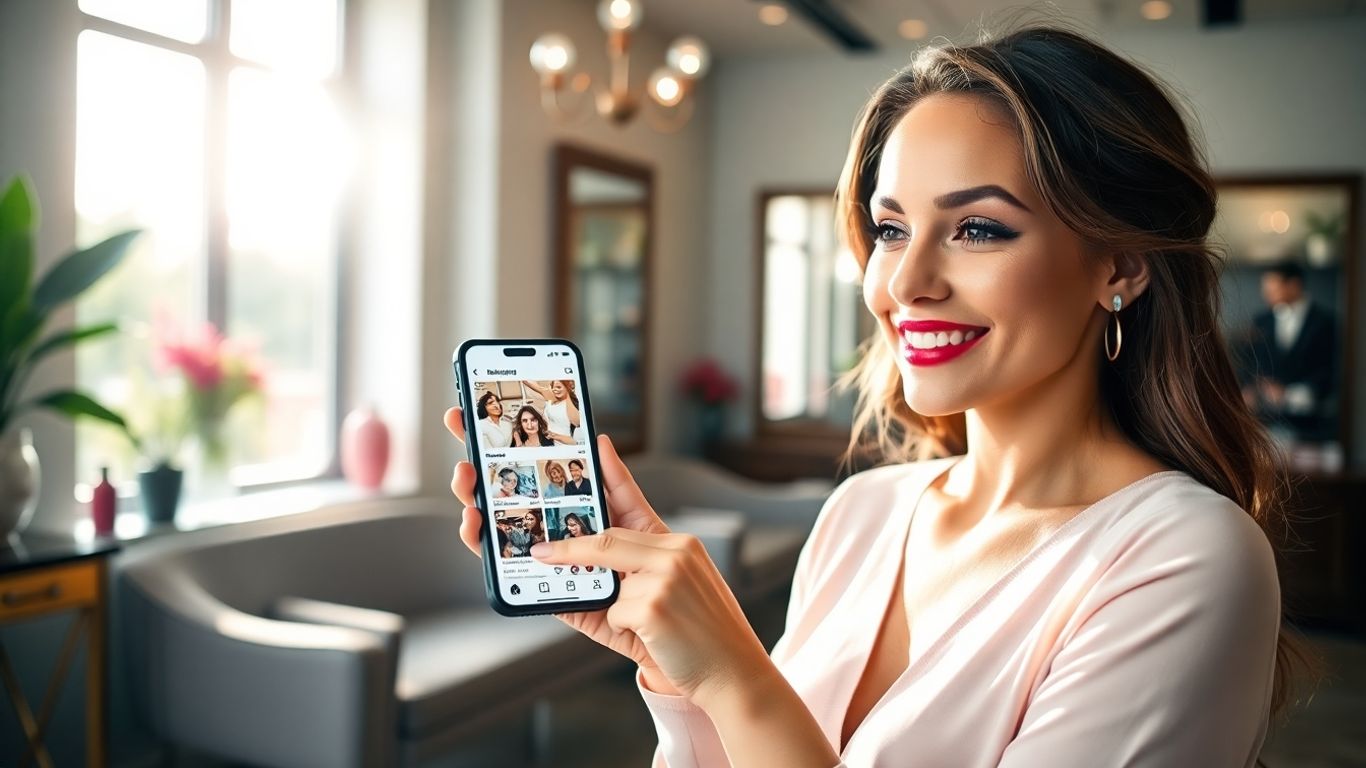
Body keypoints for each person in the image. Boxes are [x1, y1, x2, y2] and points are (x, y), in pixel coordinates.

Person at [445, 23, 1309, 768]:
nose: (904, 280)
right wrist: (678, 671)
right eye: (891, 229)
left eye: (978, 228)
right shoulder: (861, 513)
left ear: (1118, 265)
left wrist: (734, 671)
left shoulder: (1188, 558)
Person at [1241, 260, 1338, 441]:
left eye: (1272, 287)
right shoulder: (1261, 320)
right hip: (1267, 419)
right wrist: (1253, 386)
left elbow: (1328, 370)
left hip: (1311, 422)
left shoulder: (1324, 322)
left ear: (1294, 285)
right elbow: (1251, 359)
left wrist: (1289, 394)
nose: (1266, 294)